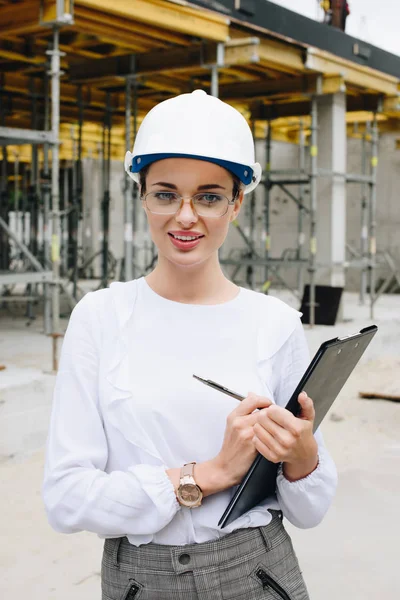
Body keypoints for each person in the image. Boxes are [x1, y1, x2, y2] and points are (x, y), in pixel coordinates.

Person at [43, 90, 337, 600]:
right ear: (142, 196)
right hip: (141, 579)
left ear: (236, 201)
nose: (185, 216)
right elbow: (67, 498)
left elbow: (309, 511)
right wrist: (205, 475)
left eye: (208, 196)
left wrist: (303, 454)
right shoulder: (101, 317)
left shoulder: (275, 323)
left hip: (259, 573)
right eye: (165, 194)